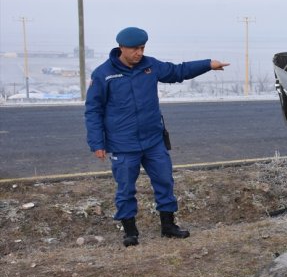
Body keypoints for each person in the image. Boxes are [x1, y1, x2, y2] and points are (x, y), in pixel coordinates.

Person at [85, 27, 230, 247]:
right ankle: (130, 231)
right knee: (125, 188)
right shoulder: (103, 74)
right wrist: (97, 143)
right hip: (123, 145)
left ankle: (168, 226)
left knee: (164, 181)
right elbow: (93, 110)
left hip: (153, 141)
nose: (140, 53)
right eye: (135, 49)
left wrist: (208, 64)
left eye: (143, 48)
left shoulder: (150, 66)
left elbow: (177, 71)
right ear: (121, 48)